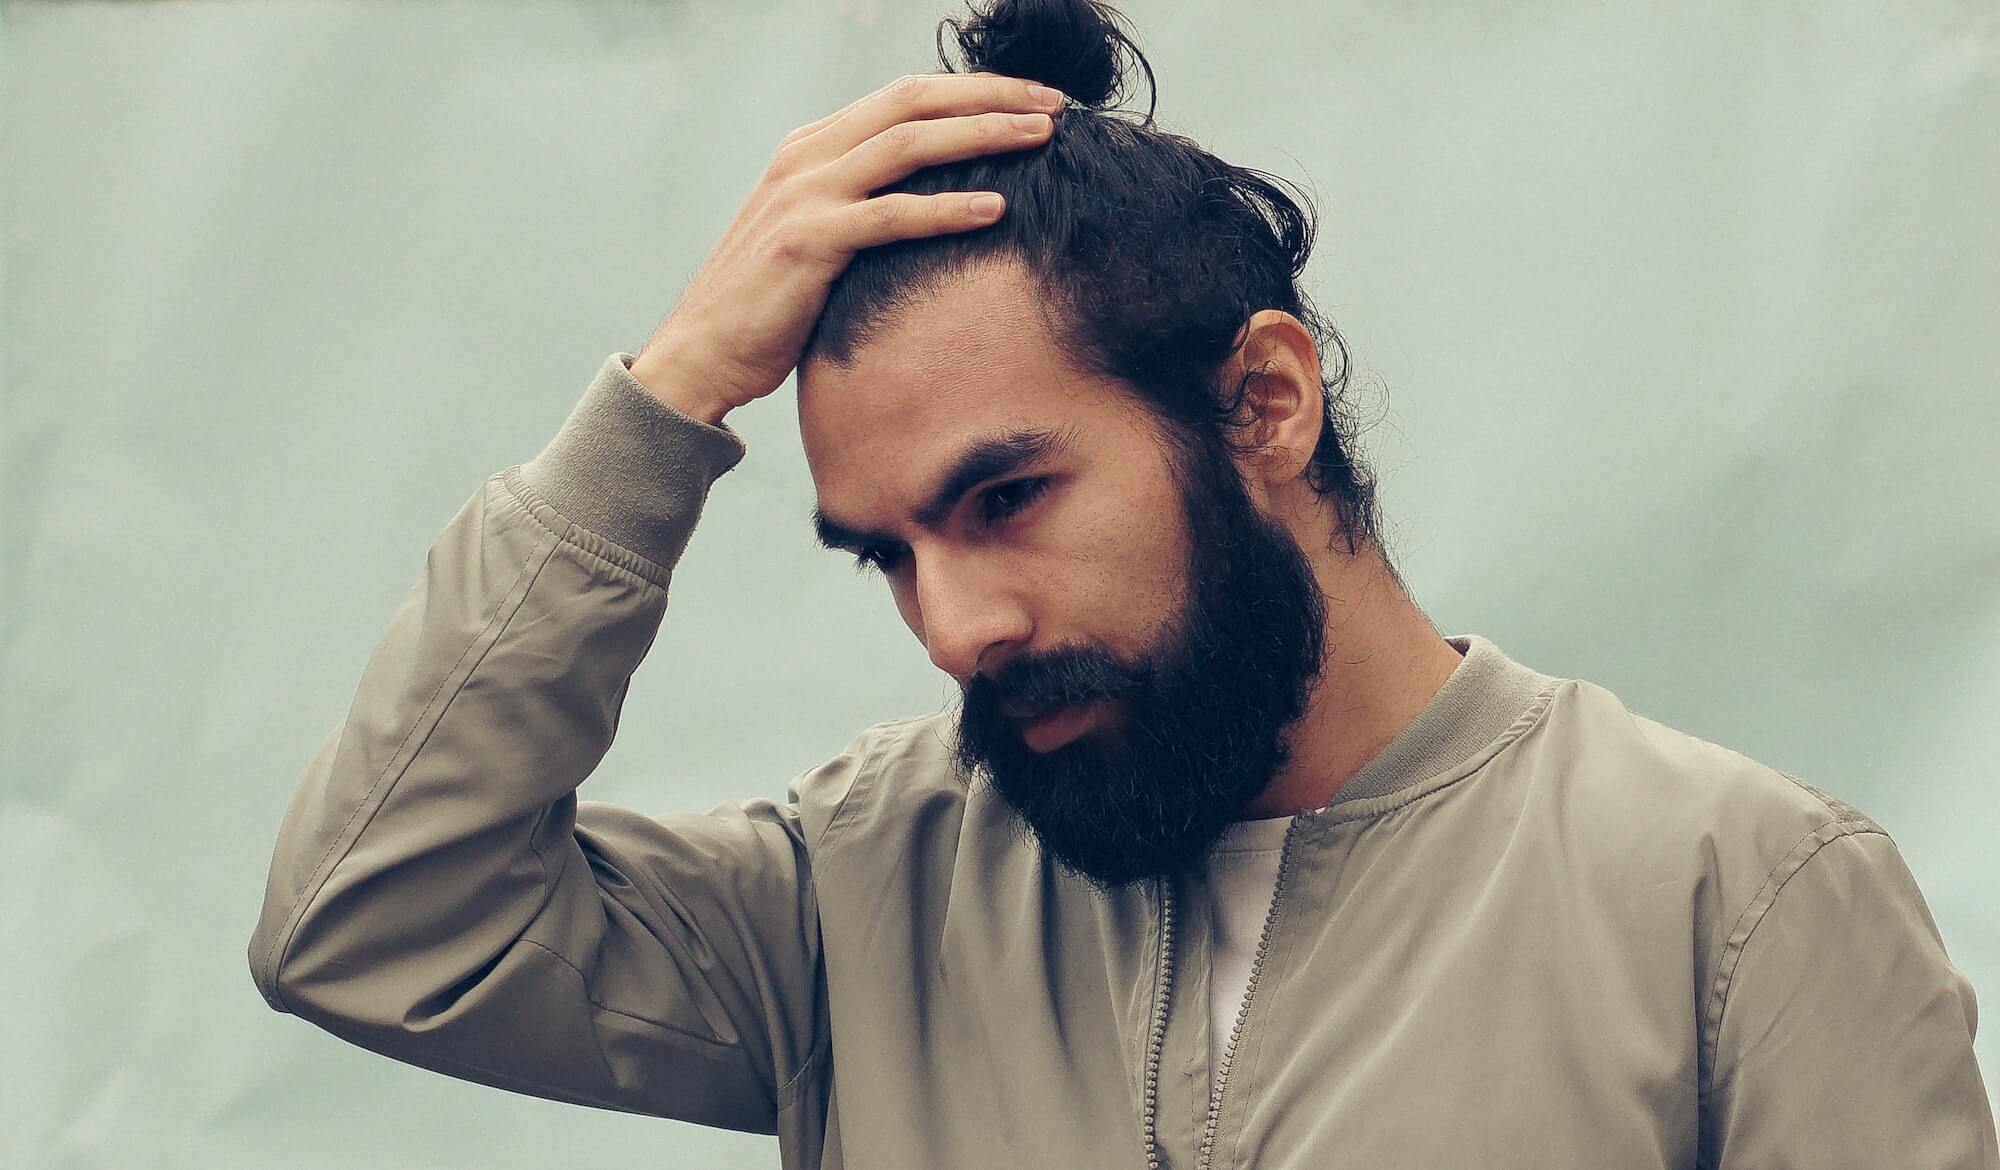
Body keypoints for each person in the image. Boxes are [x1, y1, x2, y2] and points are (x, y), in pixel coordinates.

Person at [247, 0, 1999, 1166]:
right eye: (890, 559)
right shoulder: (861, 892)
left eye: (1004, 496)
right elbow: (377, 918)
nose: (955, 625)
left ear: (1263, 401)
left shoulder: (1737, 898)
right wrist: (669, 396)